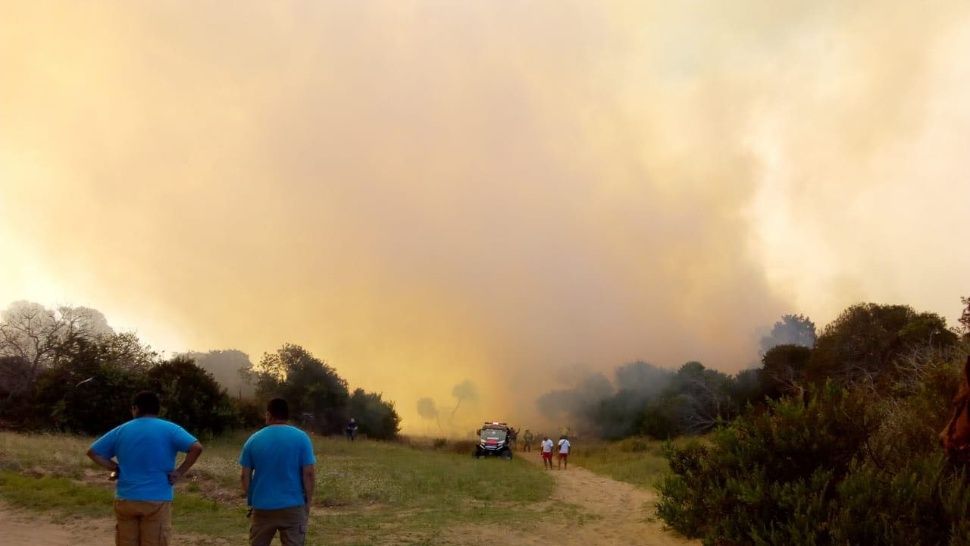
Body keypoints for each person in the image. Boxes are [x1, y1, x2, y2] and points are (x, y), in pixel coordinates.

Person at [86, 391, 203, 546]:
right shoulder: (171, 429)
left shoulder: (121, 430)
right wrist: (179, 472)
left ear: (135, 408)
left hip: (126, 498)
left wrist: (115, 467)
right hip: (157, 499)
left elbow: (93, 452)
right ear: (157, 409)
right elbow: (196, 447)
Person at [240, 398, 316, 546]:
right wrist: (308, 502)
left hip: (263, 507)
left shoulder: (253, 440)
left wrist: (252, 499)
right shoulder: (302, 438)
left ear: (269, 415)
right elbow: (308, 474)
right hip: (293, 506)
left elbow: (244, 475)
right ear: (286, 415)